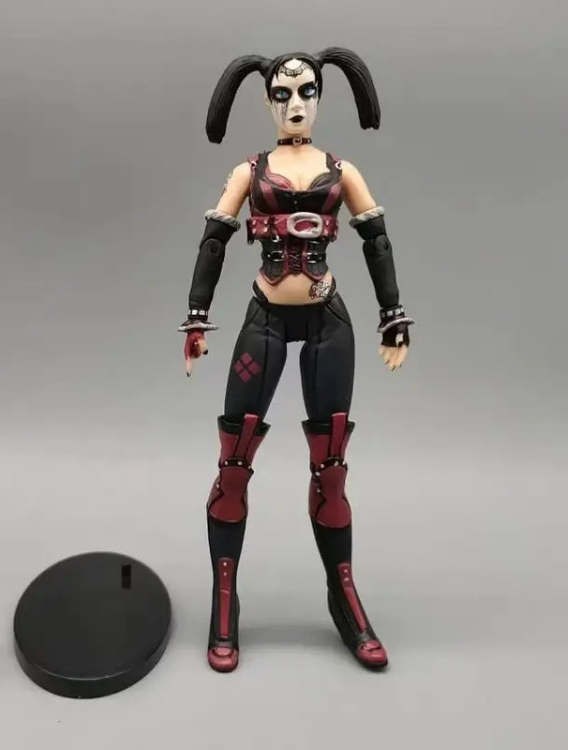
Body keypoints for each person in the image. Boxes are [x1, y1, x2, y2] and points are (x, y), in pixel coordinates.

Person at [178, 48, 414, 673]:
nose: (295, 103)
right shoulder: (249, 171)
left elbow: (377, 240)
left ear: (321, 96)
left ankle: (344, 597)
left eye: (307, 90)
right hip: (265, 319)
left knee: (331, 469)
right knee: (233, 465)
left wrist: (393, 316)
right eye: (282, 94)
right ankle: (224, 602)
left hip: (328, 321)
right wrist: (197, 317)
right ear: (265, 101)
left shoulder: (342, 171)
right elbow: (213, 242)